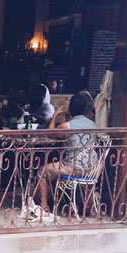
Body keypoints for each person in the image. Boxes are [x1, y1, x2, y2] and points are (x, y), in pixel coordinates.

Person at [34, 92, 98, 220]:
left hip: (74, 169)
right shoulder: (92, 124)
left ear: (70, 108)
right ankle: (84, 204)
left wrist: (55, 115)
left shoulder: (67, 126)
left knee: (42, 171)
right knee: (56, 164)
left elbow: (50, 134)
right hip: (92, 169)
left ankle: (44, 205)